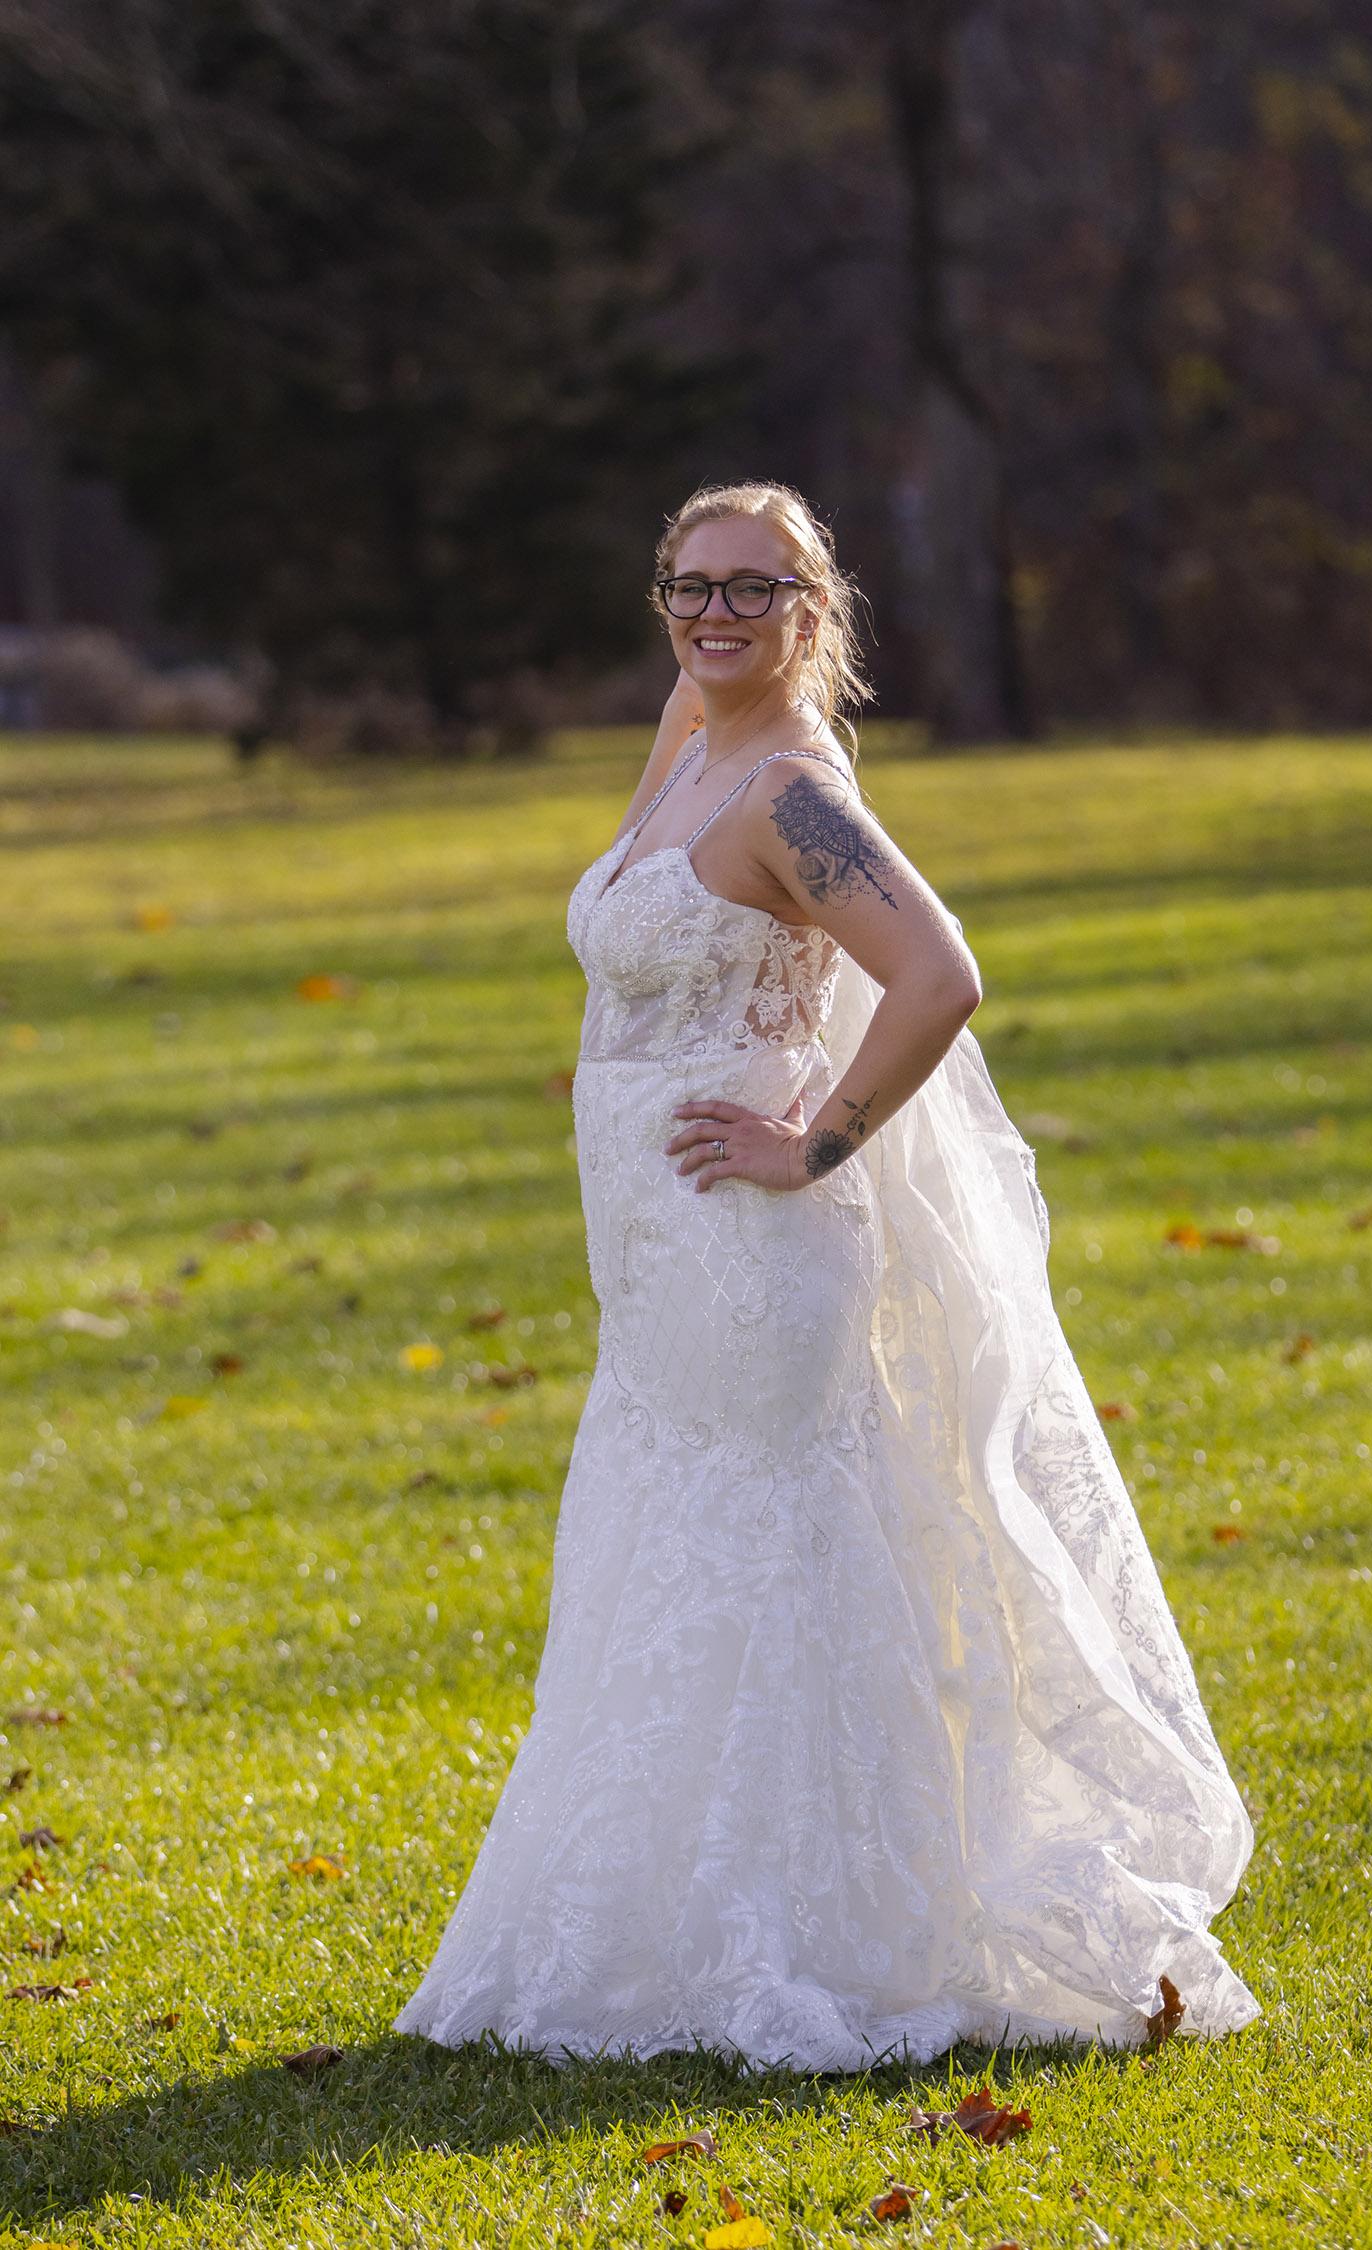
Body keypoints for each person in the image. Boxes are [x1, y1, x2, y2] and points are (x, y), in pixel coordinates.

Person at [394, 480, 1258, 2071]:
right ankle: (640, 1924)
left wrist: (818, 1141)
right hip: (653, 1256)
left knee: (766, 1556)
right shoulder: (687, 731)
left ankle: (806, 1941)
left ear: (814, 609)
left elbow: (938, 973)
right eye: (689, 583)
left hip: (753, 1250)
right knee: (666, 1550)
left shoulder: (792, 793)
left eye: (753, 588)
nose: (715, 613)